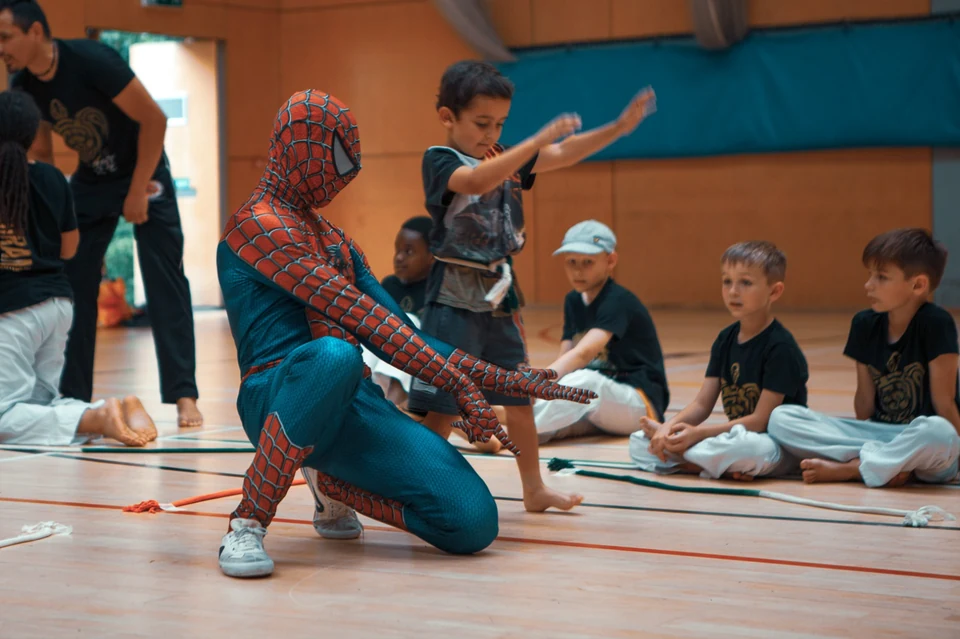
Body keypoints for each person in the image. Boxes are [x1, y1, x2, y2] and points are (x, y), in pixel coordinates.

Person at [215, 89, 594, 578]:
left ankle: (331, 485)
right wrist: (463, 384)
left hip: (353, 403)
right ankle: (247, 521)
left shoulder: (335, 240)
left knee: (472, 522)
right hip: (275, 392)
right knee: (334, 355)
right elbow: (364, 321)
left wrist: (508, 380)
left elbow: (401, 331)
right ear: (300, 145)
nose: (346, 172)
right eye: (337, 155)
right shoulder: (256, 225)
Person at [406, 60, 656, 511]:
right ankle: (411, 484)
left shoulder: (507, 154)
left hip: (501, 297)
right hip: (454, 298)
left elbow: (565, 152)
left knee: (519, 400)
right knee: (444, 407)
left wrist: (618, 128)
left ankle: (533, 489)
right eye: (482, 123)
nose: (491, 133)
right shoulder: (440, 160)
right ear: (448, 117)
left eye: (499, 123)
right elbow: (479, 179)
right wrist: (536, 140)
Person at [0, 0, 202, 427]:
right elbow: (42, 158)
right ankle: (72, 396)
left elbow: (154, 120)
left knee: (163, 275)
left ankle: (184, 396)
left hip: (145, 170)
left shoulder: (93, 60)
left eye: (5, 38)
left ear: (36, 31)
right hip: (92, 180)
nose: (1, 49)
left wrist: (135, 193)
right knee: (71, 278)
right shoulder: (22, 86)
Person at [0, 89, 157, 448]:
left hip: (11, 313)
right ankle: (112, 407)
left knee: (4, 415)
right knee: (39, 405)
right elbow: (69, 248)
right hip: (57, 307)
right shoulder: (54, 178)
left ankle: (95, 416)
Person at [768, 229, 960, 487]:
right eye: (870, 275)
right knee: (782, 417)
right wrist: (866, 439)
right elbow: (865, 407)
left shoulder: (937, 323)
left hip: (920, 440)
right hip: (880, 436)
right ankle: (890, 465)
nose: (868, 285)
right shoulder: (864, 324)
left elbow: (944, 404)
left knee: (939, 432)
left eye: (881, 277)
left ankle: (854, 469)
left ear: (918, 285)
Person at [630, 241, 807, 480]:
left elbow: (760, 420)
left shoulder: (781, 347)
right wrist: (667, 428)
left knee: (748, 449)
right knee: (638, 442)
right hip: (734, 436)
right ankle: (710, 464)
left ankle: (694, 461)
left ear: (774, 291)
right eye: (727, 281)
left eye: (745, 282)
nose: (734, 291)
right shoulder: (725, 339)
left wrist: (698, 434)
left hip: (775, 444)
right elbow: (702, 405)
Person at [534, 220, 669, 443]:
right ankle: (499, 435)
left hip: (638, 404)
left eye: (588, 262)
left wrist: (538, 382)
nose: (578, 270)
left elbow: (583, 353)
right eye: (571, 262)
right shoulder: (573, 300)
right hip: (600, 406)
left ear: (610, 260)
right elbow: (566, 355)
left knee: (586, 381)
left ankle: (510, 420)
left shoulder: (618, 300)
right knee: (560, 420)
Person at [360, 215, 434, 406]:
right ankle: (362, 393)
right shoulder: (389, 285)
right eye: (397, 250)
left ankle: (383, 404)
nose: (399, 257)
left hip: (420, 379)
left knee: (408, 322)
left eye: (409, 251)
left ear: (432, 256)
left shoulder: (437, 293)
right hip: (377, 369)